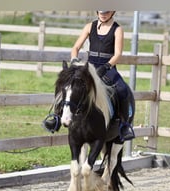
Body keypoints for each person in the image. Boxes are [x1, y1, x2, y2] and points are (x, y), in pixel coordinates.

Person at [43, 11, 135, 141]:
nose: (103, 14)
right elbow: (75, 48)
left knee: (122, 90)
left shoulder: (117, 29)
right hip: (89, 68)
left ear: (112, 12)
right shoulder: (89, 27)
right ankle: (56, 117)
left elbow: (118, 54)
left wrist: (107, 66)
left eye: (107, 12)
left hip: (107, 68)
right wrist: (74, 60)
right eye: (101, 12)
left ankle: (124, 126)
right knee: (66, 85)